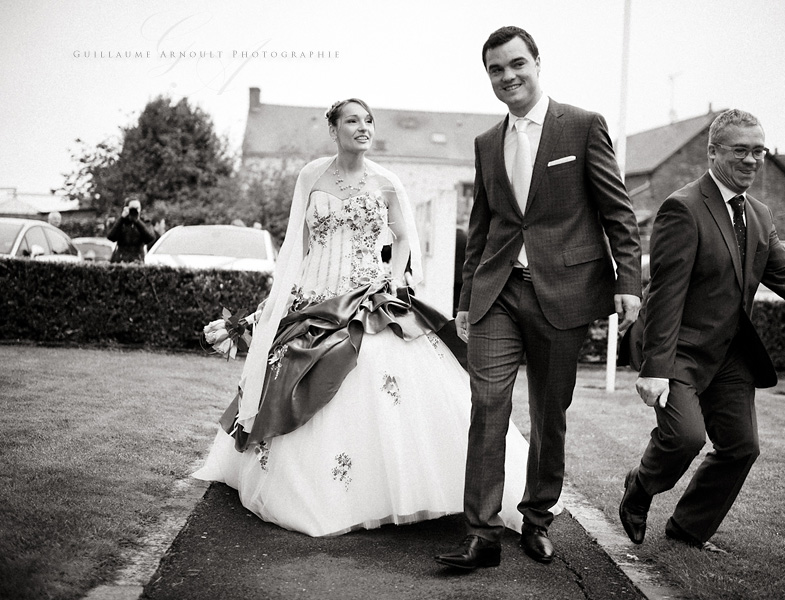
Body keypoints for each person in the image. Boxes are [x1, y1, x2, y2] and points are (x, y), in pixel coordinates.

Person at [193, 98, 533, 537]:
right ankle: (313, 490)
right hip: (317, 297)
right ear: (333, 129)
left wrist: (392, 278)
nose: (363, 127)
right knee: (296, 373)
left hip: (371, 297)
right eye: (352, 120)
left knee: (389, 377)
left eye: (368, 120)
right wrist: (272, 307)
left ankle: (418, 488)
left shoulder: (387, 182)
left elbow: (405, 239)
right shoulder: (310, 176)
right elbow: (297, 248)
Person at [435, 26, 642, 570]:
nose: (508, 77)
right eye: (496, 70)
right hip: (497, 292)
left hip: (564, 292)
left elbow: (617, 211)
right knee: (487, 406)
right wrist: (464, 297)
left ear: (536, 63)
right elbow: (480, 226)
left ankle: (536, 519)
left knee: (550, 413)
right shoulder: (486, 143)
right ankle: (480, 533)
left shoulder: (581, 126)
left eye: (516, 64)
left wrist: (628, 283)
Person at [619, 109, 785, 552]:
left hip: (729, 354)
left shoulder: (759, 214)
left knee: (742, 447)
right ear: (713, 152)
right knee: (684, 438)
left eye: (758, 151)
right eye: (740, 151)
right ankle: (641, 486)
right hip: (679, 349)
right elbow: (665, 295)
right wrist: (654, 369)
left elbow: (784, 269)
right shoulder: (682, 208)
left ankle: (687, 528)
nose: (752, 160)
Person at [107, 196, 156, 263]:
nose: (135, 210)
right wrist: (122, 219)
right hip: (121, 261)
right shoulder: (121, 222)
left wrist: (137, 222)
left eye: (137, 208)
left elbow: (150, 238)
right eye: (132, 208)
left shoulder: (145, 222)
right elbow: (111, 237)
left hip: (137, 260)